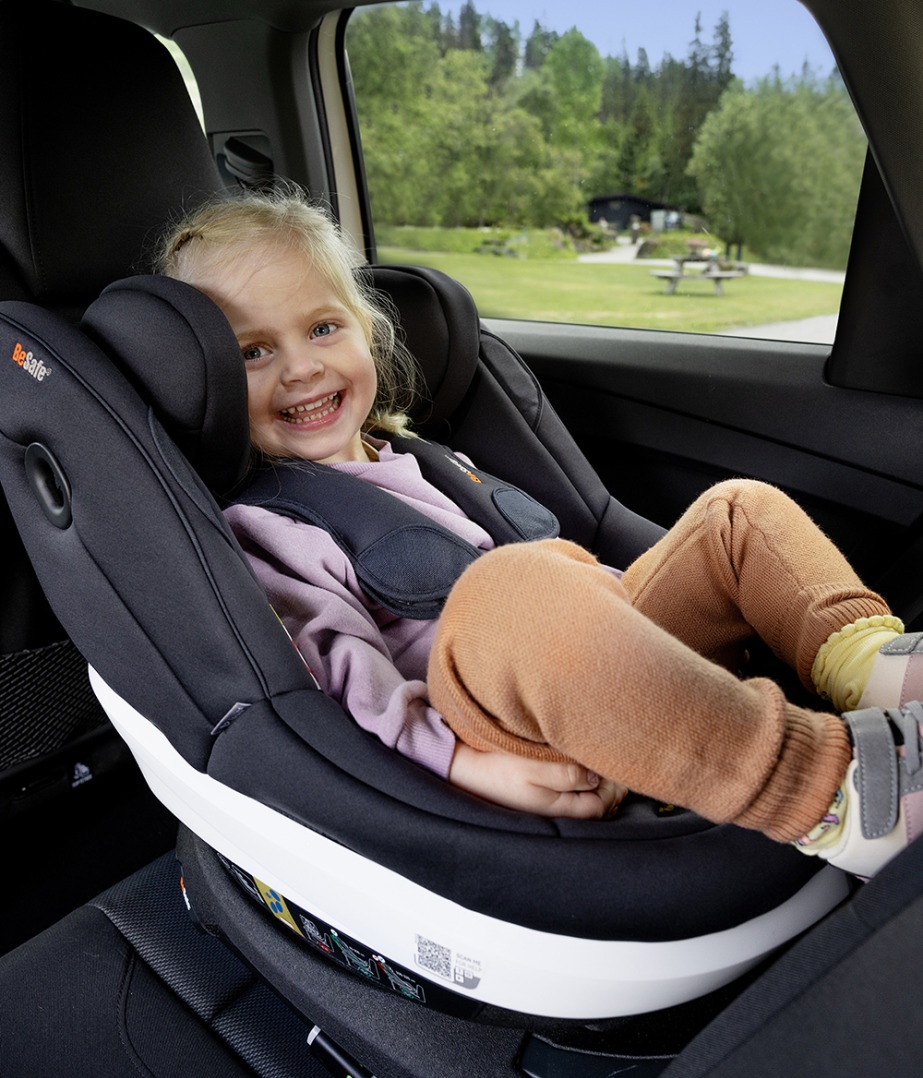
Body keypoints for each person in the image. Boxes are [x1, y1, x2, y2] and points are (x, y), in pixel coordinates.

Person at [156, 189, 923, 878]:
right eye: (253, 352)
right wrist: (458, 762)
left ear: (367, 331)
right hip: (492, 724)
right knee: (510, 585)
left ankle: (876, 672)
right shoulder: (270, 526)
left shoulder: (420, 459)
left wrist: (615, 618)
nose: (300, 368)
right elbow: (342, 682)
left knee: (737, 511)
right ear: (208, 385)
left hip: (600, 666)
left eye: (324, 328)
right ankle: (830, 795)